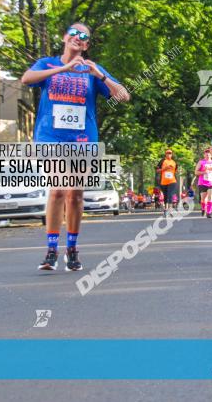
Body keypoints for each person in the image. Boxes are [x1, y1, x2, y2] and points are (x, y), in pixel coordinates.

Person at [22, 22, 129, 271]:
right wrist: (64, 67)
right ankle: (51, 250)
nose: (78, 38)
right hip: (51, 137)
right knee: (58, 189)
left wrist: (99, 76)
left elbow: (124, 96)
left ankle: (72, 248)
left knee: (76, 193)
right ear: (64, 37)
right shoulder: (47, 63)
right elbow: (26, 79)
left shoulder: (93, 69)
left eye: (84, 37)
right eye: (74, 33)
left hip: (82, 140)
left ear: (87, 45)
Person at [195, 148, 212, 217]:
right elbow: (196, 172)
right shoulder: (201, 162)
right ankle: (203, 208)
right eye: (206, 153)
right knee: (203, 199)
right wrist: (204, 172)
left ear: (211, 155)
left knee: (210, 197)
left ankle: (208, 213)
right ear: (204, 155)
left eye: (209, 153)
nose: (208, 154)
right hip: (202, 183)